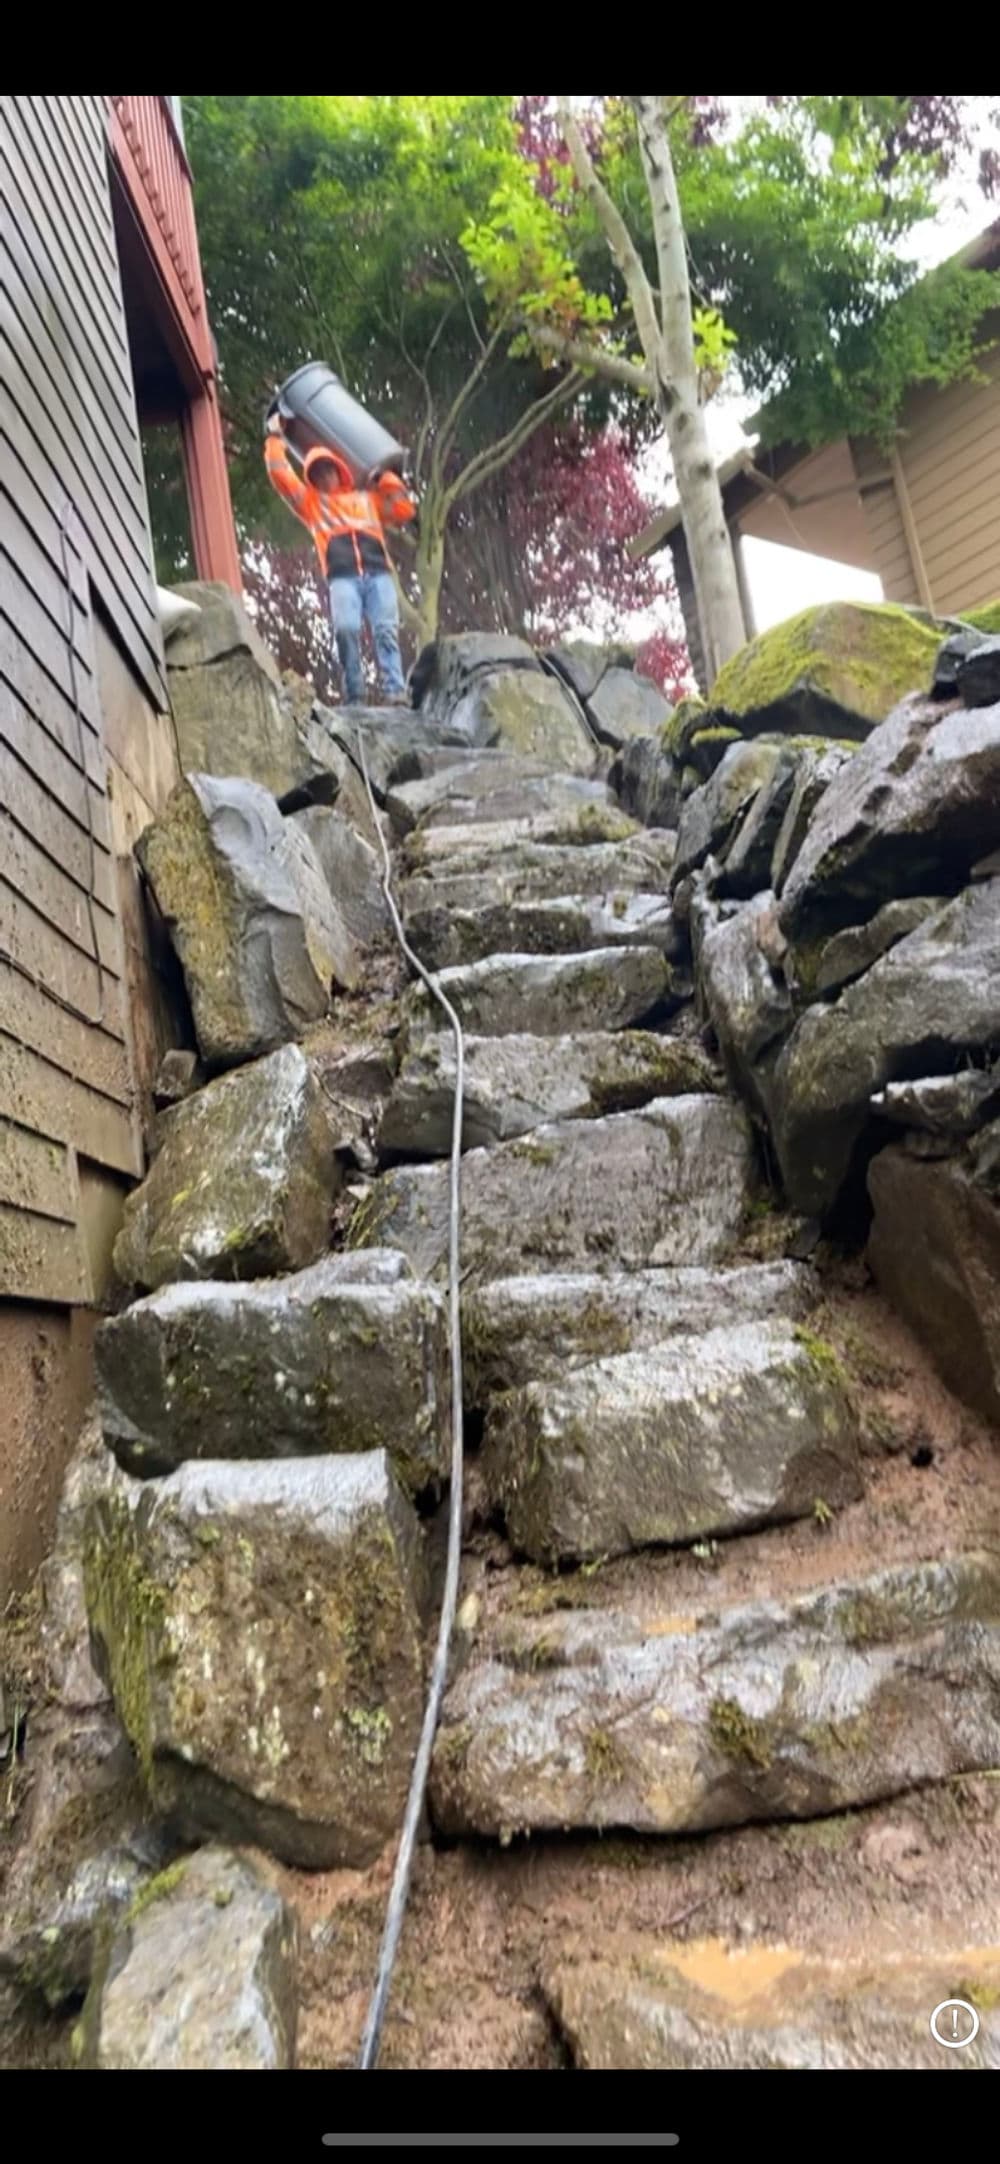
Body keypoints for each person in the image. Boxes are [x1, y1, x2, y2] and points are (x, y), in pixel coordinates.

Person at [264, 416, 416, 706]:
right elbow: (281, 476)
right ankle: (355, 695)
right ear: (312, 477)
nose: (324, 477)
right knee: (346, 630)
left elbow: (403, 508)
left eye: (328, 470)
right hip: (342, 578)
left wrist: (384, 475)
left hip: (378, 574)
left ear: (339, 470)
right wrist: (274, 438)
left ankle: (396, 692)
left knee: (386, 631)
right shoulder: (312, 504)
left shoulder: (366, 498)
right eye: (317, 473)